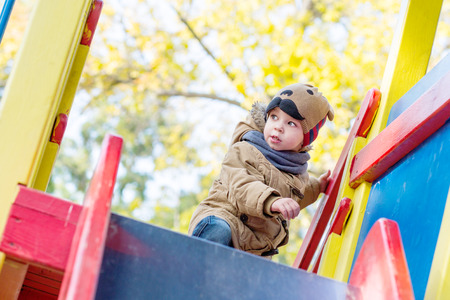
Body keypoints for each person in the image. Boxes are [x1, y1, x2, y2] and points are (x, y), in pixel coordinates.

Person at [188, 83, 334, 257]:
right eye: (273, 117)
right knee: (219, 231)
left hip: (253, 246)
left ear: (306, 138)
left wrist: (318, 186)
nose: (278, 126)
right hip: (226, 217)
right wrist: (271, 201)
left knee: (260, 275)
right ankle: (191, 265)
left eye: (290, 123)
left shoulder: (296, 173)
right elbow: (240, 185)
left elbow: (297, 196)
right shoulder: (245, 149)